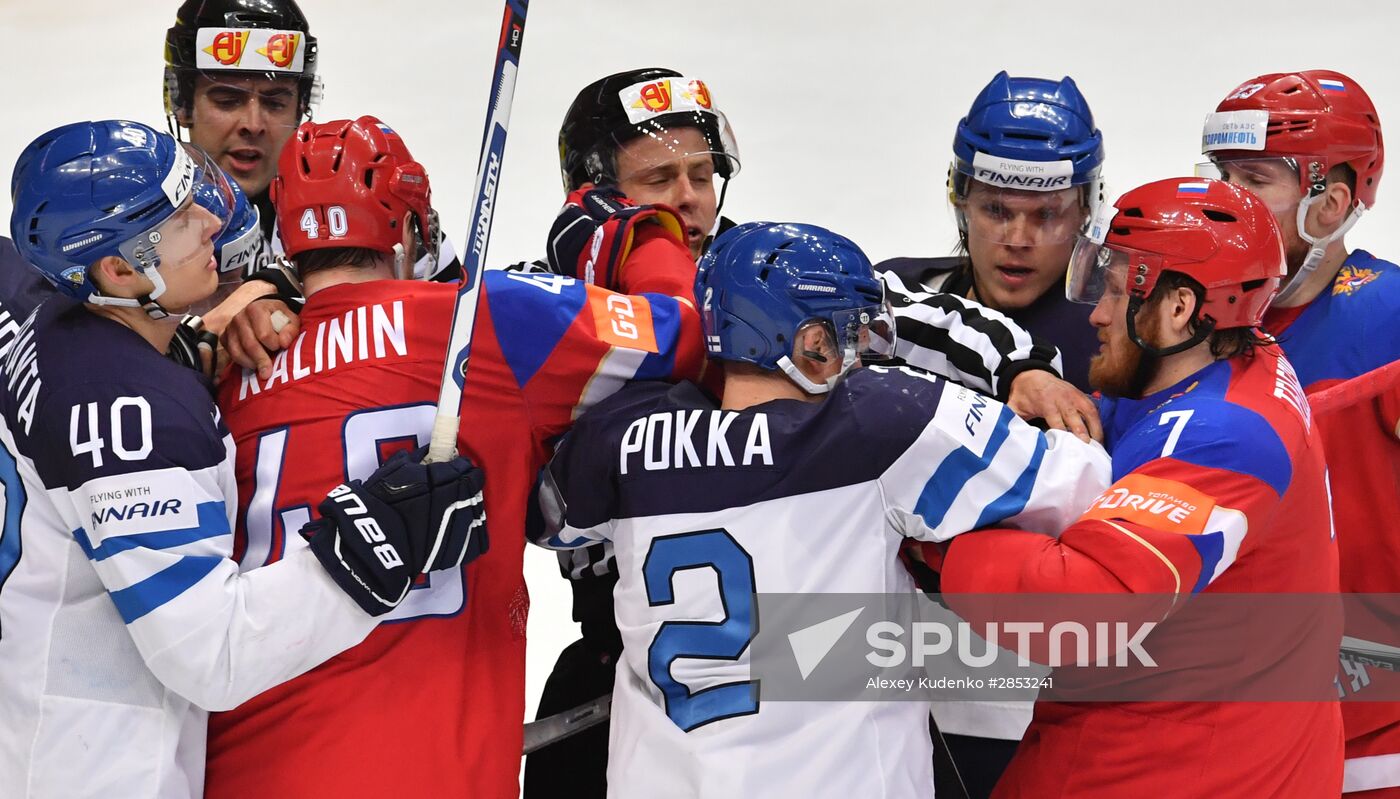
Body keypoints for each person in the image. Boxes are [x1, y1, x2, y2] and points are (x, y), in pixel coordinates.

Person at [526, 67, 1102, 799]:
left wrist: (1017, 365)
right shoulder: (549, 307)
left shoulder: (751, 274)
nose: (689, 198)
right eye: (659, 177)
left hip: (776, 664)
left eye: (702, 173)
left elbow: (919, 314)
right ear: (595, 193)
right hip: (627, 663)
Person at [203, 115, 708, 798]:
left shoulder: (228, 367)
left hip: (242, 766)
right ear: (410, 231)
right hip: (432, 771)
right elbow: (690, 332)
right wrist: (636, 232)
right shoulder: (488, 320)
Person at [0, 119, 485, 796]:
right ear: (115, 270)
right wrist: (376, 546)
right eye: (178, 220)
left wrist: (192, 336)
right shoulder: (132, 416)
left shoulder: (30, 290)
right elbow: (207, 652)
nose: (208, 220)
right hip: (94, 767)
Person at [920, 177, 1342, 798]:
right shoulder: (1231, 360)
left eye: (1115, 292)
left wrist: (936, 538)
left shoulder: (1225, 439)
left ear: (1178, 308)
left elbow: (1079, 612)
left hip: (1178, 767)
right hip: (1196, 741)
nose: (1094, 313)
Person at [1199, 69, 1400, 797]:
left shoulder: (1393, 320)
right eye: (1221, 176)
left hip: (1374, 741)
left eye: (1255, 179)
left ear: (1334, 202)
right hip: (1234, 729)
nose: (1226, 202)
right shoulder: (1186, 322)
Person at [879, 71, 1105, 394]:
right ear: (962, 202)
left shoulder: (1109, 348)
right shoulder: (894, 292)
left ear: (1085, 214)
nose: (1017, 241)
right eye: (997, 210)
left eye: (1047, 214)